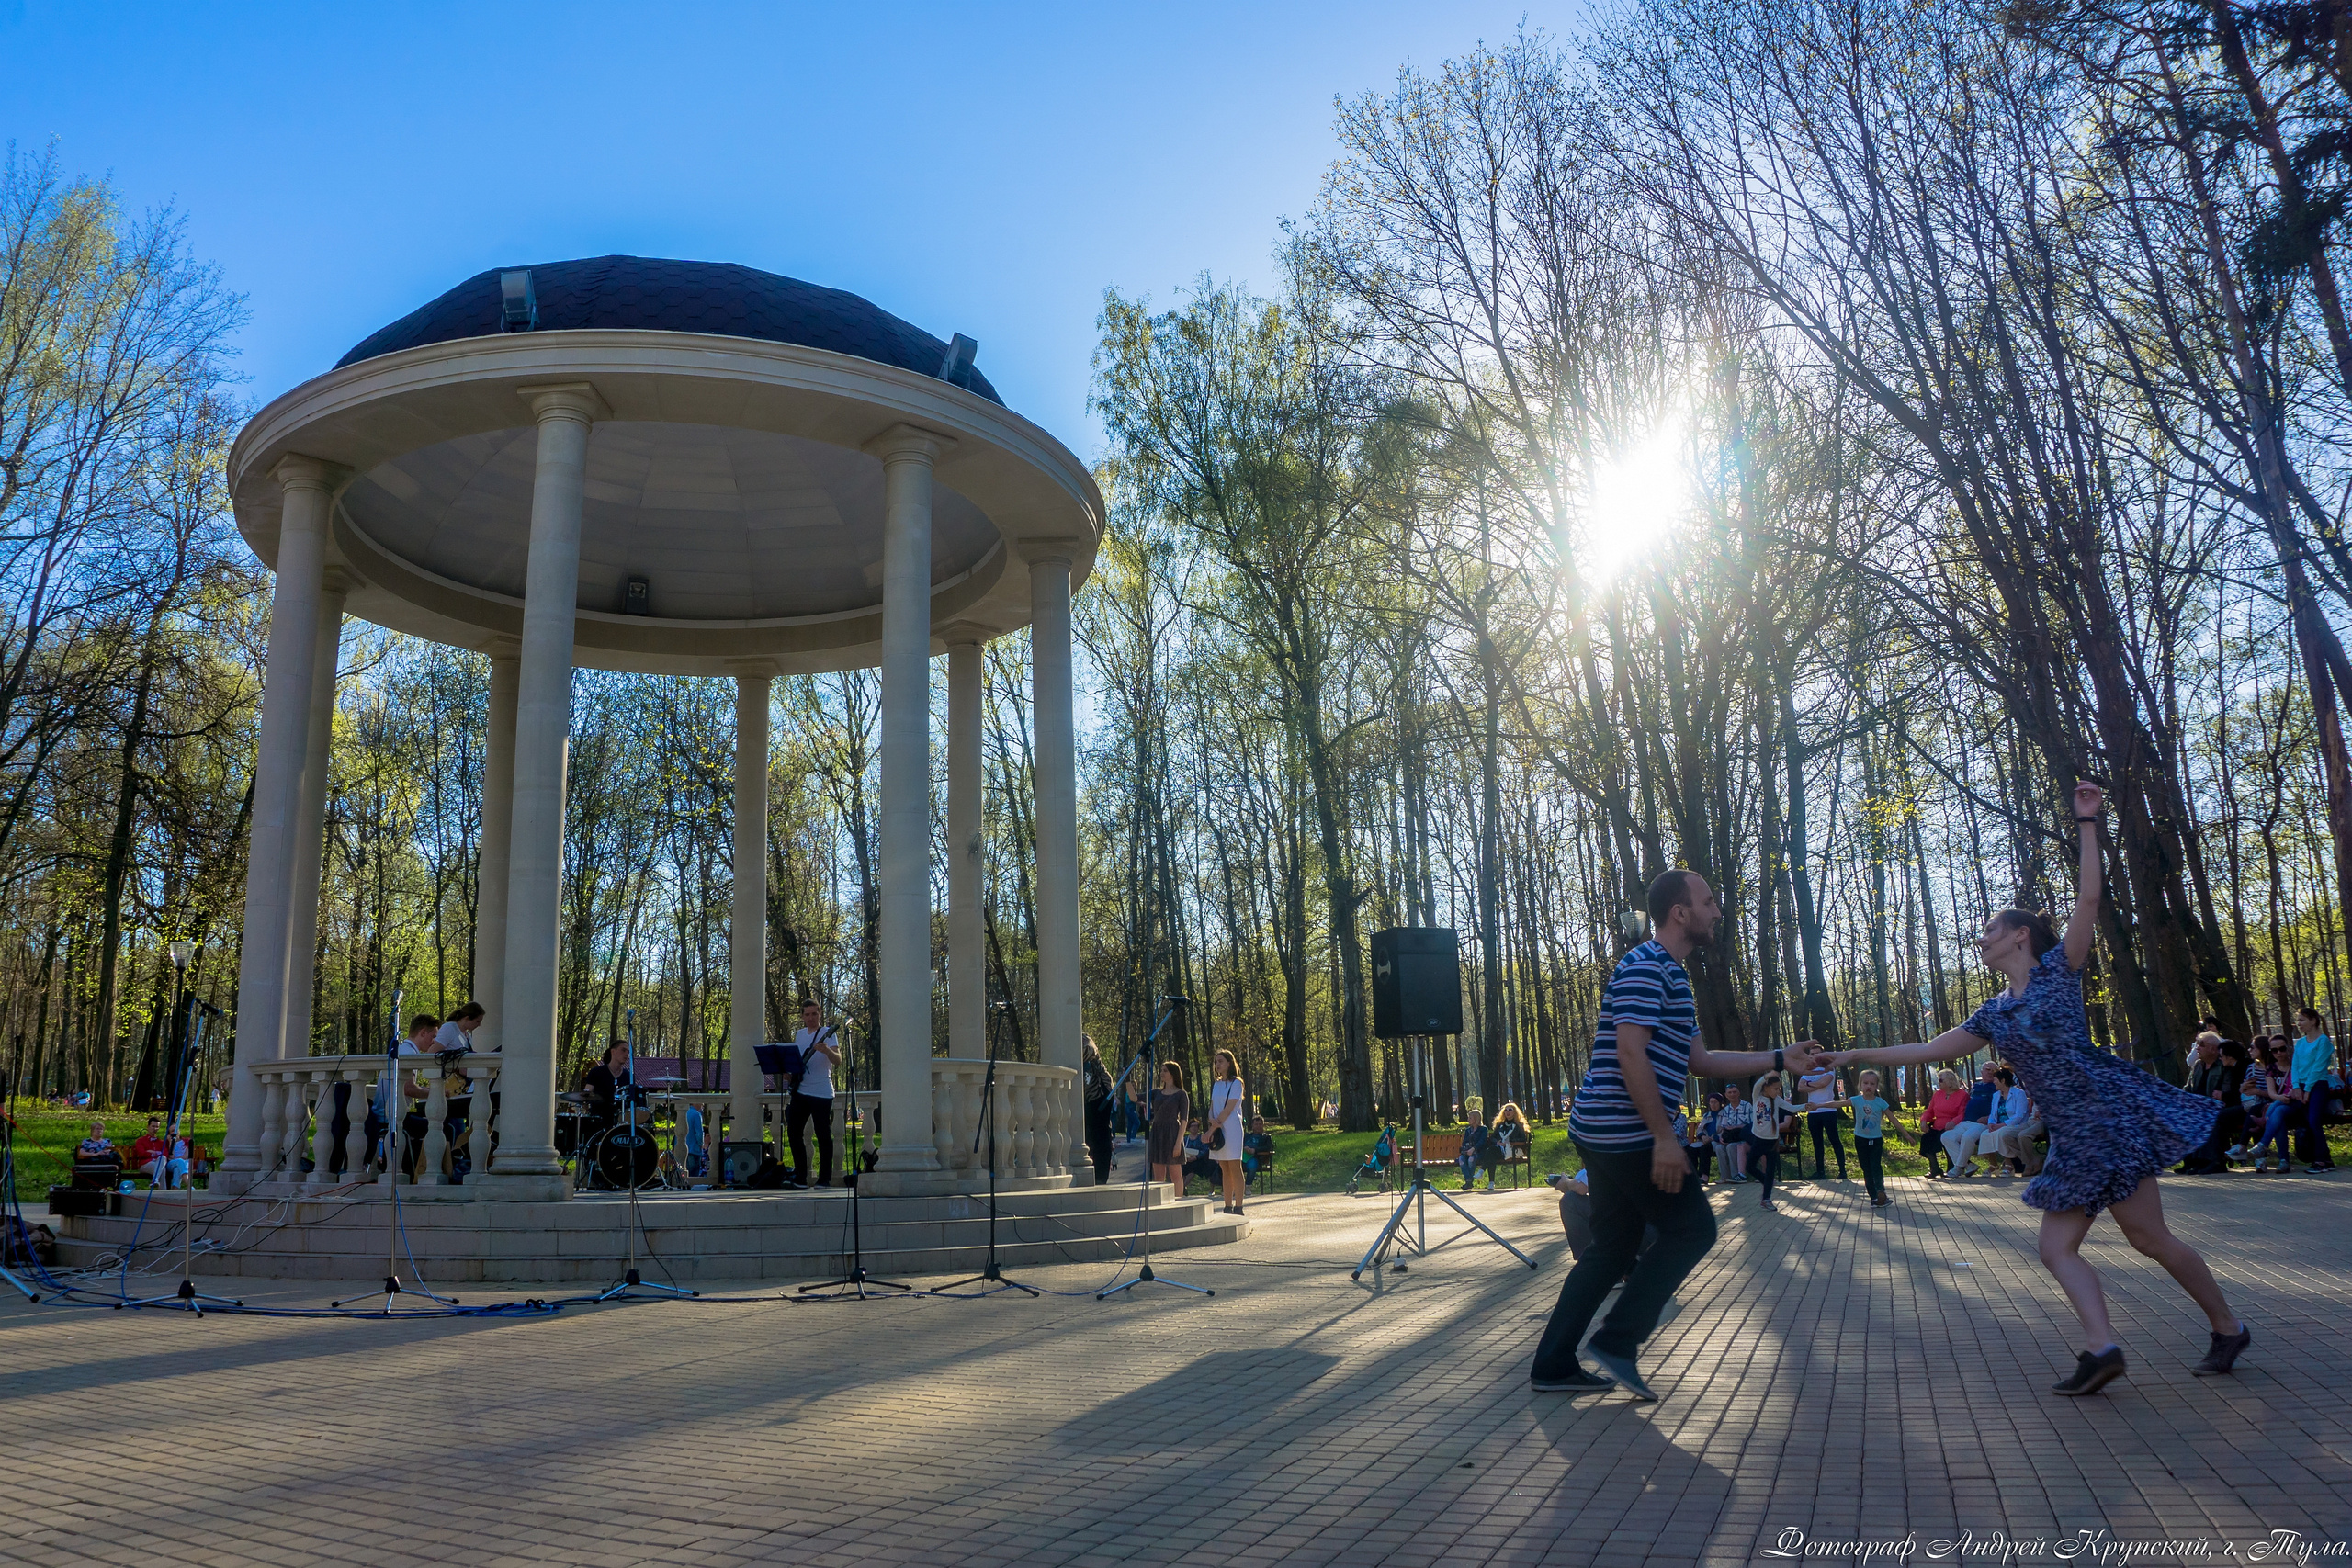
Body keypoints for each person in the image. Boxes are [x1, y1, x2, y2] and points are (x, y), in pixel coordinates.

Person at [1834, 780, 2249, 1395]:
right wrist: (1853, 1052)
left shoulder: (2060, 970)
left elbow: (2088, 895)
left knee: (2143, 1237)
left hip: (2109, 1116)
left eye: (1989, 931)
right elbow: (1925, 1049)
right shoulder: (1993, 1014)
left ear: (2020, 935)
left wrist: (2087, 822)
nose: (1981, 940)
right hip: (2073, 1135)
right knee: (2081, 1245)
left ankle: (2223, 1326)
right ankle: (2106, 1346)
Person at [1529, 867, 1826, 1401]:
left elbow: (1699, 1060)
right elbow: (1629, 1052)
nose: (1717, 910)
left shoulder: (1672, 975)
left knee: (1614, 1248)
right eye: (1708, 901)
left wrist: (1781, 1058)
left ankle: (1552, 1363)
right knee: (1692, 1230)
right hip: (1626, 1131)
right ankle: (1617, 1342)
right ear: (1680, 913)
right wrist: (1665, 1138)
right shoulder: (1647, 966)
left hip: (1605, 1129)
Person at [783, 999, 840, 1189]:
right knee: (793, 1132)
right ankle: (800, 1177)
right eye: (807, 1014)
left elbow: (838, 1060)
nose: (811, 1018)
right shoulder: (799, 1035)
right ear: (802, 1016)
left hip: (822, 1092)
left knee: (823, 1135)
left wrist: (826, 1051)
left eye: (814, 1014)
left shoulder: (827, 1034)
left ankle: (824, 1179)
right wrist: (789, 1074)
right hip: (801, 1090)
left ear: (820, 1014)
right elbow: (799, 1062)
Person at [2290, 1007, 2338, 1170]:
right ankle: (2326, 1159)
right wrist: (2296, 1087)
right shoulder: (2301, 1043)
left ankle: (2321, 1161)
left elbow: (2318, 1067)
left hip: (2317, 1085)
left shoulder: (2323, 1041)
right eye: (2298, 1020)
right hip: (2302, 1086)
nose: (2299, 1024)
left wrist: (2308, 1089)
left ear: (2313, 1021)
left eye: (2302, 1020)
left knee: (2314, 1121)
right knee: (2307, 1122)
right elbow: (2294, 1065)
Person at [1844, 1070, 1897, 1208]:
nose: (1868, 1086)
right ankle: (1874, 1198)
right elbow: (1837, 1104)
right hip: (1860, 1140)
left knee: (1875, 1166)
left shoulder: (1880, 1102)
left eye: (1872, 1083)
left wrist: (1907, 1135)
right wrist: (1817, 1106)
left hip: (1876, 1140)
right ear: (1860, 1085)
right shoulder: (1856, 1100)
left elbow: (1893, 1119)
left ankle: (1880, 1191)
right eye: (1865, 1083)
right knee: (1866, 1169)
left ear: (1876, 1086)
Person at [1208, 1049, 1248, 1216]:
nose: (1218, 1064)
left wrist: (1214, 1126)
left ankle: (1239, 1206)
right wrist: (1211, 1122)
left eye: (1221, 1061)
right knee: (1224, 1167)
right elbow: (1212, 1107)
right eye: (1216, 1061)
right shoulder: (1217, 1084)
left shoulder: (1236, 1083)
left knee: (1234, 1166)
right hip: (1217, 1128)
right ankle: (1227, 1205)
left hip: (1231, 1129)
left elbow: (1229, 1107)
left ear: (1229, 1063)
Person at [1749, 1073, 1796, 1210]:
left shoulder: (1778, 1100)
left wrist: (1807, 1106)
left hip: (1773, 1140)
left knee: (1770, 1170)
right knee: (1750, 1167)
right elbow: (1757, 1084)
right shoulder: (1757, 1096)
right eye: (1775, 1088)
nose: (1778, 1091)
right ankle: (1766, 1181)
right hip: (1758, 1138)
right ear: (1767, 1087)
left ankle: (1766, 1199)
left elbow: (1792, 1108)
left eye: (1779, 1089)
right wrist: (1767, 1075)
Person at [1797, 1059, 1848, 1180]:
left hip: (1829, 1111)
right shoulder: (1808, 1071)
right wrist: (1814, 1084)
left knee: (1834, 1140)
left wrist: (1808, 1084)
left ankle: (1842, 1170)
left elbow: (1823, 1083)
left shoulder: (1829, 1069)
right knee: (1817, 1142)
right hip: (1813, 1112)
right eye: (1812, 1054)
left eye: (1817, 1053)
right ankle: (1820, 1172)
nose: (1815, 1056)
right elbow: (1800, 1087)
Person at [1148, 1060, 1188, 1191]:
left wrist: (1178, 1143)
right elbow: (1134, 1098)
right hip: (1157, 1132)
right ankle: (1159, 1203)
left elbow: (1184, 1120)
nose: (1162, 1073)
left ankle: (1178, 1203)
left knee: (1175, 1173)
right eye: (1161, 1070)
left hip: (1172, 1132)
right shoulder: (1156, 1093)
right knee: (1158, 1174)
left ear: (1173, 1073)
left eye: (1165, 1070)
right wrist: (1128, 1080)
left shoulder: (1181, 1094)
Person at [1082, 1035, 1116, 1184]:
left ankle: (1101, 1176)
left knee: (1101, 1134)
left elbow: (1090, 1051)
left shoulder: (1084, 1039)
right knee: (1089, 1133)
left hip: (1101, 1094)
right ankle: (1093, 1172)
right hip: (1087, 1098)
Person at [1922, 1068, 1967, 1178]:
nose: (1939, 1082)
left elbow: (1963, 1114)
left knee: (1946, 1138)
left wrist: (1953, 1122)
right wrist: (1923, 1120)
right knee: (1926, 1139)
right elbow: (1930, 1110)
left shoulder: (1962, 1095)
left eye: (1941, 1080)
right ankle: (1935, 1168)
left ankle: (1952, 1167)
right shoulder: (1937, 1094)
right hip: (1937, 1125)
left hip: (1953, 1127)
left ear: (1950, 1081)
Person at [1484, 1101, 1529, 1190]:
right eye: (1505, 1110)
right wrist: (1497, 1142)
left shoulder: (1519, 1125)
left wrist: (1509, 1143)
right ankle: (1491, 1182)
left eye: (1510, 1110)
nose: (1507, 1112)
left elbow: (1522, 1139)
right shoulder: (1500, 1125)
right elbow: (1493, 1138)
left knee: (1491, 1152)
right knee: (1491, 1152)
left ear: (1515, 1112)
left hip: (1513, 1150)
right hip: (1499, 1149)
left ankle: (1483, 1172)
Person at [1717, 1083, 1752, 1181]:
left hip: (1743, 1138)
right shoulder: (1726, 1110)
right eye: (1730, 1093)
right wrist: (1721, 1137)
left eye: (1734, 1092)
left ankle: (1737, 1176)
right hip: (1730, 1138)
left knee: (1732, 1147)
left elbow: (1752, 1124)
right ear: (1726, 1095)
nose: (1732, 1094)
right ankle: (1724, 1177)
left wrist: (1736, 1126)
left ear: (1738, 1093)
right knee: (1719, 1147)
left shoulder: (1747, 1106)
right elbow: (1723, 1127)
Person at [1691, 1094, 1722, 1184]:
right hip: (1705, 1140)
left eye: (1715, 1102)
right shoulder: (1706, 1115)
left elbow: (1724, 1130)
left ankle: (1704, 1176)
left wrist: (1712, 1138)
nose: (1713, 1104)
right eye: (1711, 1102)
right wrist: (1703, 1136)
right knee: (1691, 1149)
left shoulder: (1724, 1115)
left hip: (1717, 1141)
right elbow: (1700, 1129)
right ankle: (1694, 1176)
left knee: (1705, 1148)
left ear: (1720, 1103)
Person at [1457, 1107, 1489, 1190]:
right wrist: (1466, 1149)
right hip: (1467, 1151)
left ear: (1476, 1118)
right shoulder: (1468, 1130)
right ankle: (1469, 1181)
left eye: (1470, 1117)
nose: (1468, 1119)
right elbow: (1464, 1142)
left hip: (1478, 1152)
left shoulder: (1483, 1129)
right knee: (1461, 1159)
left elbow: (1482, 1141)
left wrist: (1473, 1149)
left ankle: (1468, 1182)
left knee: (1471, 1160)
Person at [131, 1118, 168, 1186]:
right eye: (153, 1126)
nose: (155, 1129)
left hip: (158, 1163)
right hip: (145, 1165)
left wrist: (153, 1152)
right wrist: (157, 1153)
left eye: (157, 1127)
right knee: (162, 1169)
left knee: (162, 1159)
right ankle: (163, 1193)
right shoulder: (141, 1141)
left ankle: (155, 1180)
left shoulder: (161, 1142)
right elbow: (142, 1154)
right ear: (148, 1127)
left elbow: (165, 1154)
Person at [1242, 1115, 1275, 1188]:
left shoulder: (1266, 1137)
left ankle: (1248, 1186)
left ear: (1263, 1125)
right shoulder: (1246, 1135)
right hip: (1242, 1157)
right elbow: (1239, 1144)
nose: (1258, 1126)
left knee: (1252, 1165)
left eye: (1260, 1124)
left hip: (1256, 1158)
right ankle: (1234, 1188)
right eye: (1256, 1124)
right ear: (1252, 1125)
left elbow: (1267, 1147)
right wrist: (1245, 1148)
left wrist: (1254, 1150)